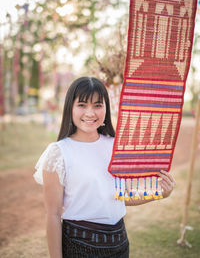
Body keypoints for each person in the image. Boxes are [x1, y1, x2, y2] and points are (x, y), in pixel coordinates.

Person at [33, 76, 176, 258]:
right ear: (70, 107)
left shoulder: (116, 146)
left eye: (97, 105)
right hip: (79, 243)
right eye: (82, 105)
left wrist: (160, 193)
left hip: (119, 241)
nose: (90, 113)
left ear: (106, 108)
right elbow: (53, 215)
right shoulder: (58, 153)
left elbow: (122, 196)